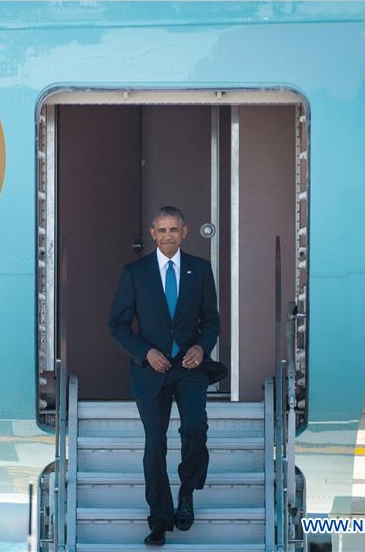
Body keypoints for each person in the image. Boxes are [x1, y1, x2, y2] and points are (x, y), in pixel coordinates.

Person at [107, 205, 226, 546]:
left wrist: (202, 347)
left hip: (190, 368)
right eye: (162, 230)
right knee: (155, 444)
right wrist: (145, 351)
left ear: (184, 232)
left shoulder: (200, 270)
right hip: (151, 371)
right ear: (153, 234)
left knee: (193, 428)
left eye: (174, 229)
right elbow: (116, 324)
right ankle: (159, 519)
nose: (168, 235)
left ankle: (187, 492)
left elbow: (212, 320)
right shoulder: (135, 273)